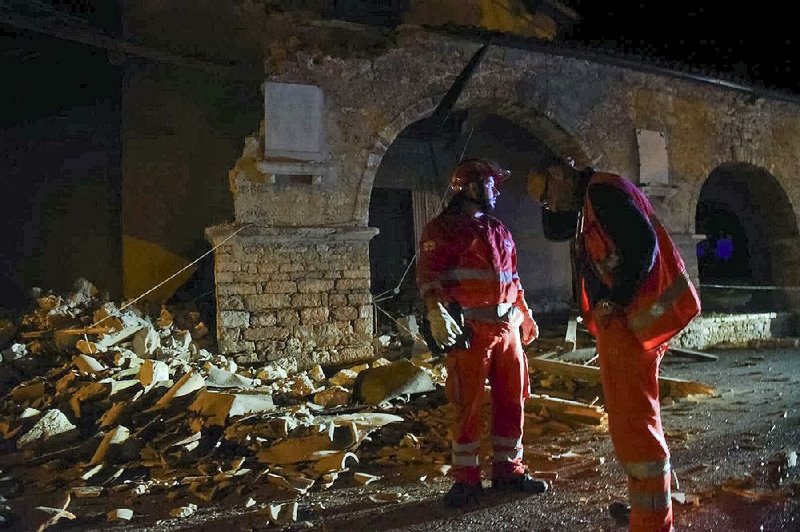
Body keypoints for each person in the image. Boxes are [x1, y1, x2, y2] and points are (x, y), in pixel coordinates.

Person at [527, 159, 701, 532]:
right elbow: (556, 230)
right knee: (633, 422)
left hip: (630, 324)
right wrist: (551, 198)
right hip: (626, 324)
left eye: (547, 196)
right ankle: (649, 509)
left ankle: (653, 521)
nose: (550, 206)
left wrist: (615, 299)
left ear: (559, 175)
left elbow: (643, 245)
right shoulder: (590, 198)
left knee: (635, 426)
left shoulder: (602, 193)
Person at [416, 158, 548, 508]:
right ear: (472, 187)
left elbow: (512, 279)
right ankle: (467, 481)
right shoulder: (442, 229)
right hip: (470, 331)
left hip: (508, 330)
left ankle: (509, 470)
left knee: (513, 400)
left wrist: (525, 313)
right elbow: (429, 275)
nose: (497, 190)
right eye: (492, 184)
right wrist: (435, 311)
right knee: (467, 404)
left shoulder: (498, 230)